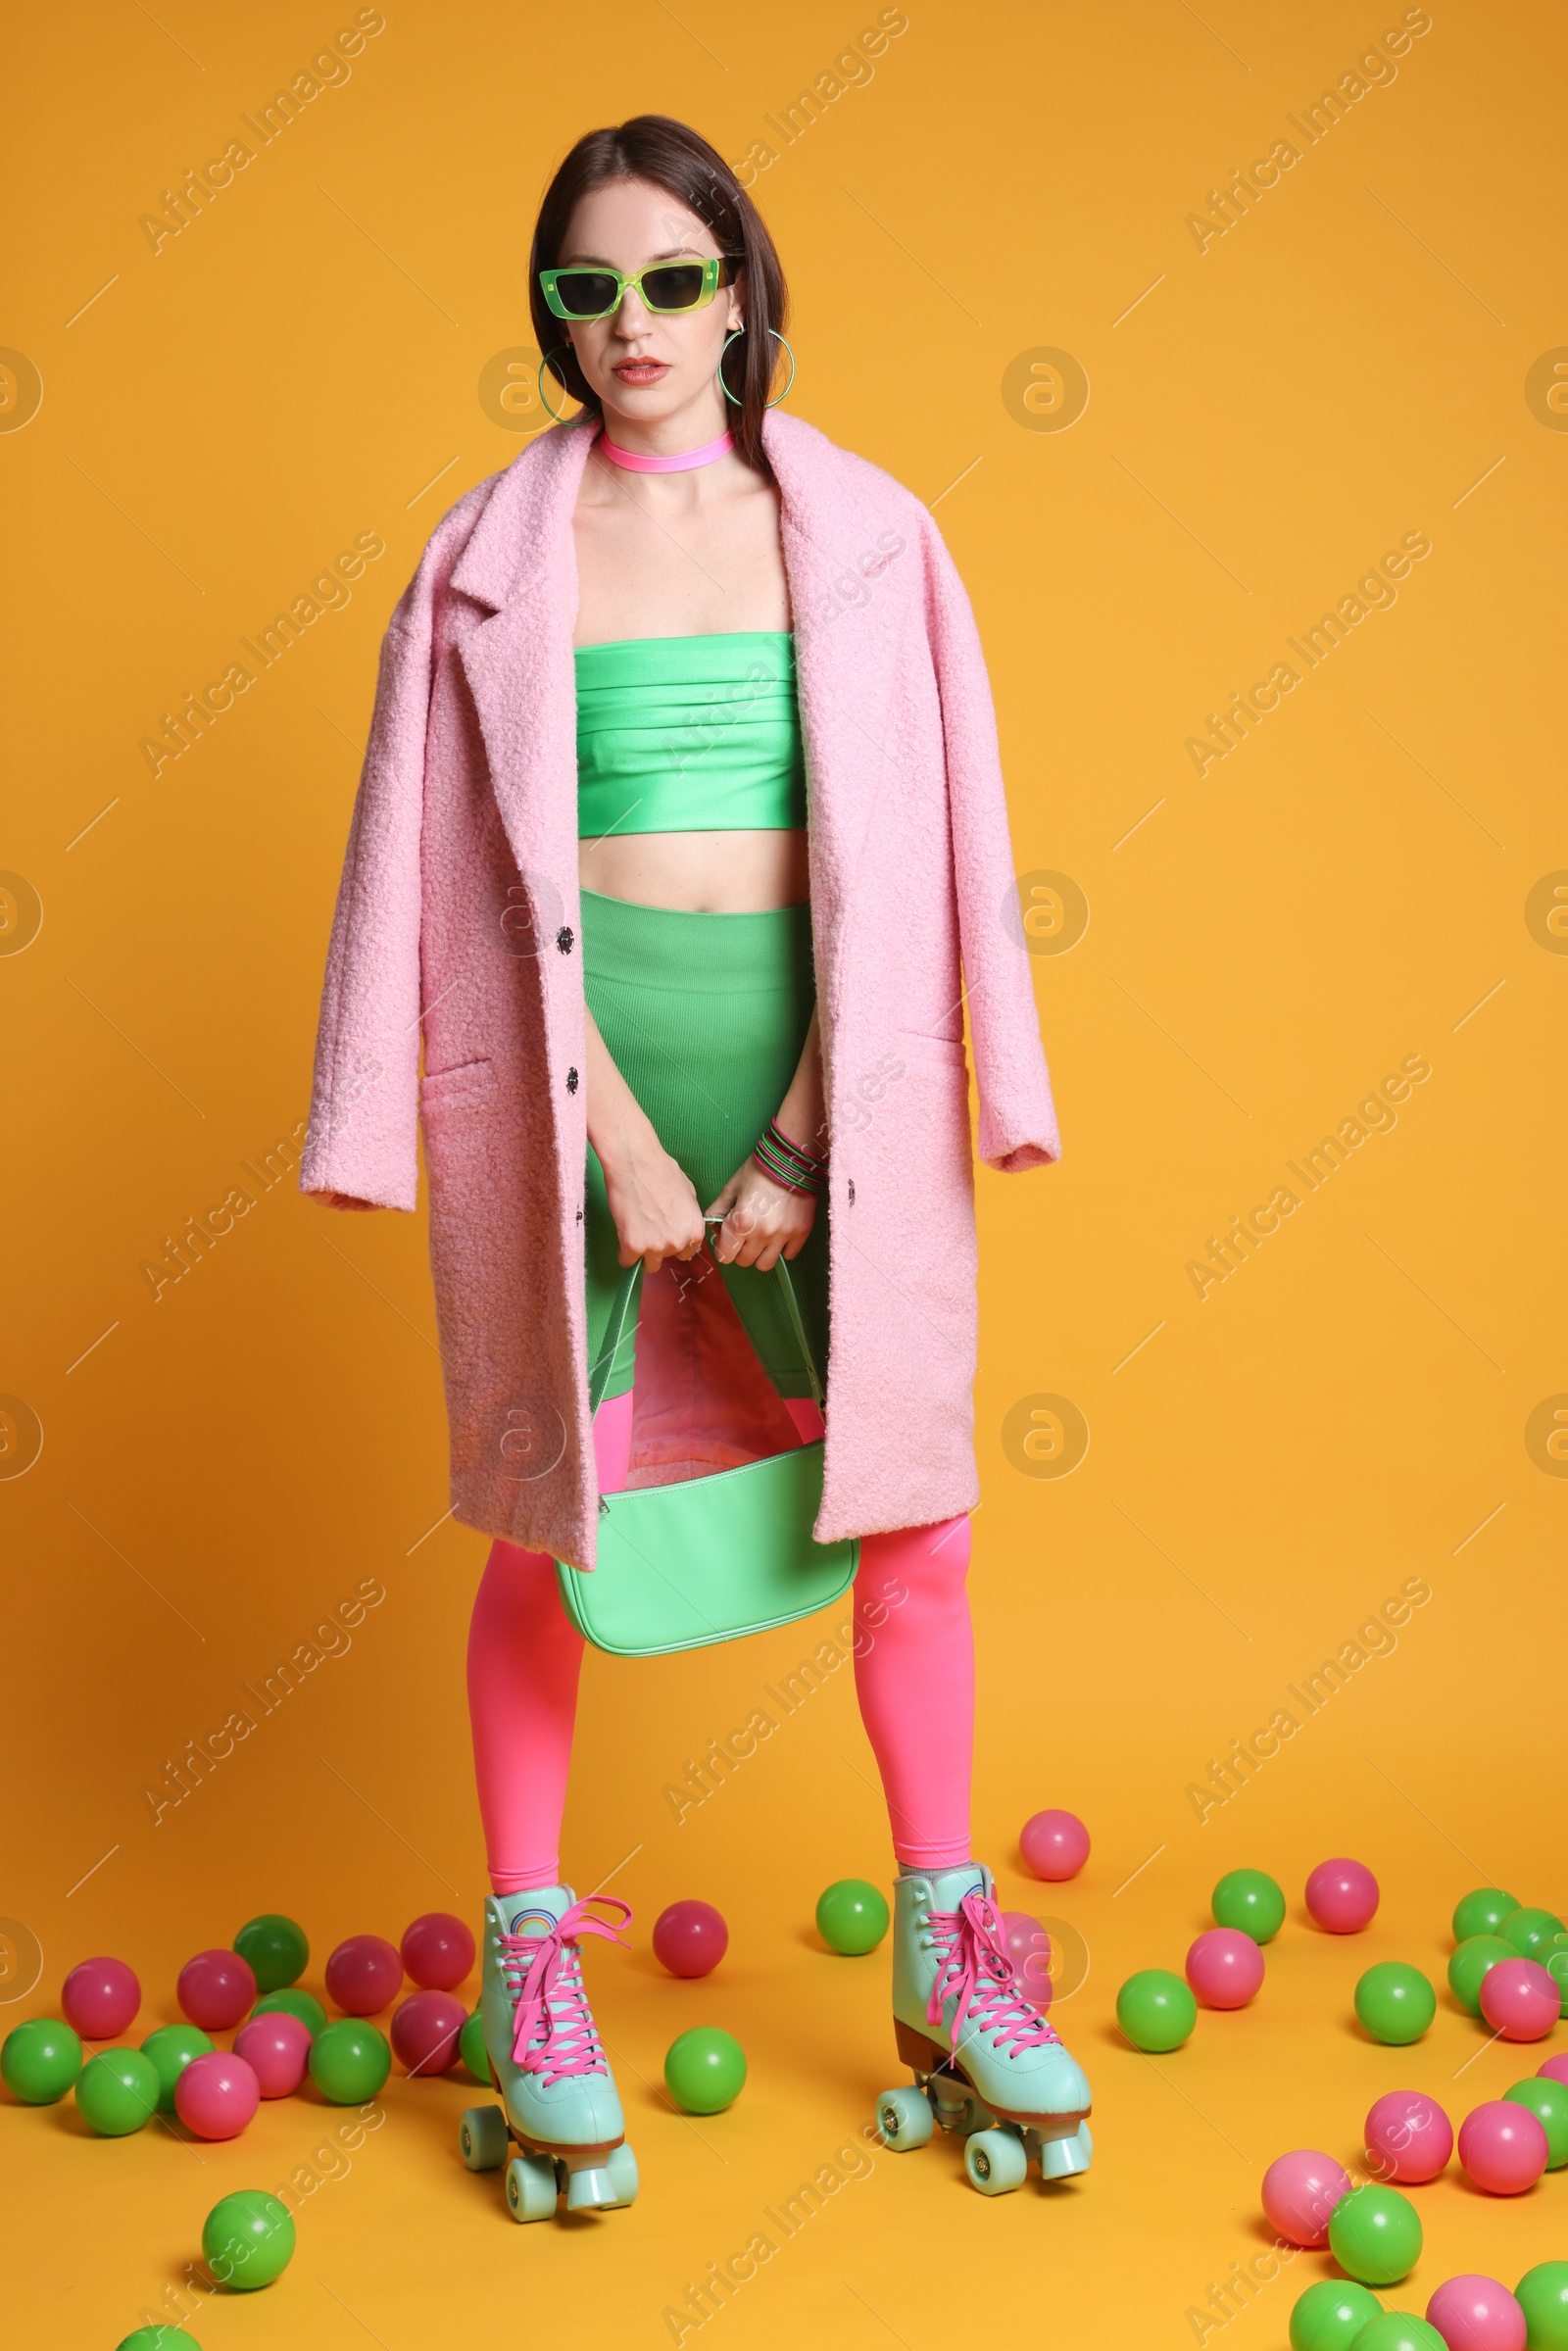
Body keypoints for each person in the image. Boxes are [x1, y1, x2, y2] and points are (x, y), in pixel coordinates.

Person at [300, 114, 1089, 2213]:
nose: (628, 323)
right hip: (581, 1107)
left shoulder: (867, 538)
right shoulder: (488, 554)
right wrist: (616, 1144)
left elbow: (929, 857)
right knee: (546, 1514)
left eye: (666, 277)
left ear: (736, 285)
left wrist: (811, 1133)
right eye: (585, 287)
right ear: (551, 317)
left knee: (909, 1501)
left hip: (828, 1103)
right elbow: (450, 879)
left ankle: (947, 1932)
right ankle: (533, 1961)